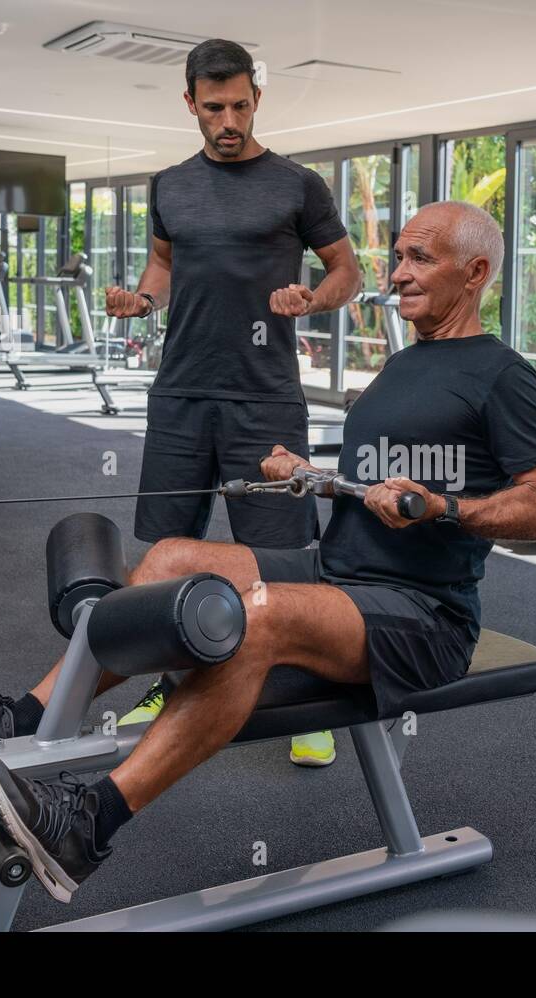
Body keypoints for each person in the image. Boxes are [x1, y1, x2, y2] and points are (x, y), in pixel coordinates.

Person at [0, 201, 536, 902]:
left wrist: (443, 507)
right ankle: (23, 717)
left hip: (422, 613)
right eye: (398, 256)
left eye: (419, 259)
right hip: (336, 571)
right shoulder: (404, 366)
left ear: (477, 272)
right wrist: (309, 474)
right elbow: (376, 485)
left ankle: (85, 826)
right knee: (169, 562)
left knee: (252, 616)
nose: (398, 273)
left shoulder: (503, 375)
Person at [107, 39, 360, 767]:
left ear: (257, 99)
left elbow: (346, 266)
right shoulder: (168, 185)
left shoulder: (297, 185)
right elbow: (163, 263)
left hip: (264, 396)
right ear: (190, 103)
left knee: (282, 553)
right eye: (214, 107)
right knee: (164, 547)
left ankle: (302, 696)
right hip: (182, 390)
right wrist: (141, 300)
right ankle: (169, 681)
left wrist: (312, 298)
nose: (229, 119)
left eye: (241, 105)